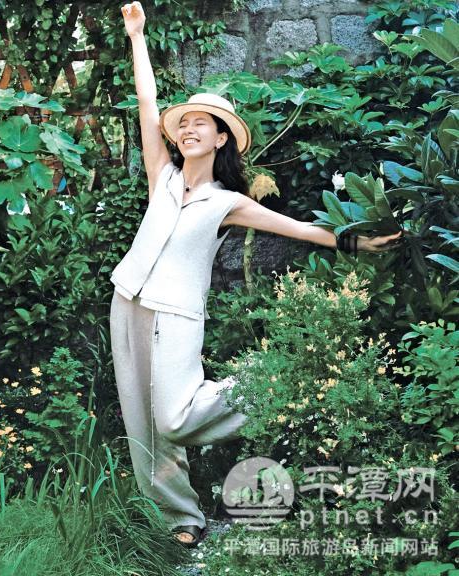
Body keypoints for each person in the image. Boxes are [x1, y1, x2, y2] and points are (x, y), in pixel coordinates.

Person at [113, 2, 402, 547]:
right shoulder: (162, 176)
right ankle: (180, 517)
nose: (189, 129)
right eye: (185, 124)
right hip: (127, 299)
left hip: (177, 312)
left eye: (201, 123)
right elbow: (147, 102)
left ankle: (268, 383)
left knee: (173, 419)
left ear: (221, 138)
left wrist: (355, 241)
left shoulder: (228, 202)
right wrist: (138, 36)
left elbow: (298, 228)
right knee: (143, 422)